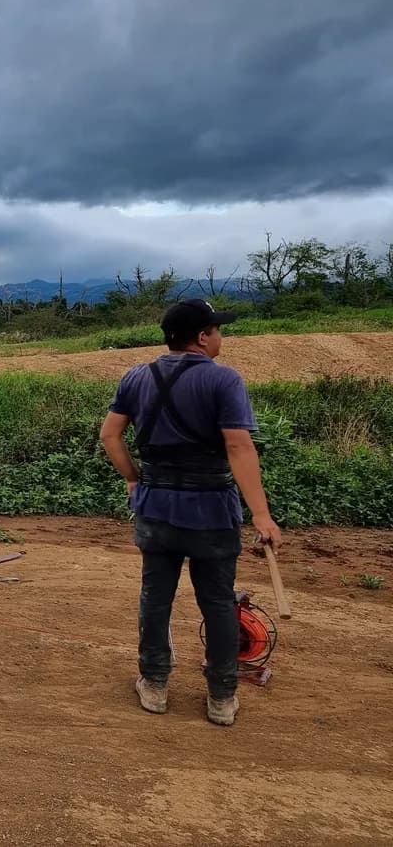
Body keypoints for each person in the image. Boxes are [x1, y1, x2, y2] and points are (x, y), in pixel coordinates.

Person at [99, 298, 282, 727]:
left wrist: (132, 478)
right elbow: (238, 447)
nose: (222, 336)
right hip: (211, 513)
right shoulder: (224, 381)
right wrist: (261, 514)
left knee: (155, 598)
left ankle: (155, 686)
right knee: (217, 603)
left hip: (156, 510)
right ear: (202, 336)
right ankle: (221, 697)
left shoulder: (135, 376)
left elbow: (110, 435)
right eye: (218, 330)